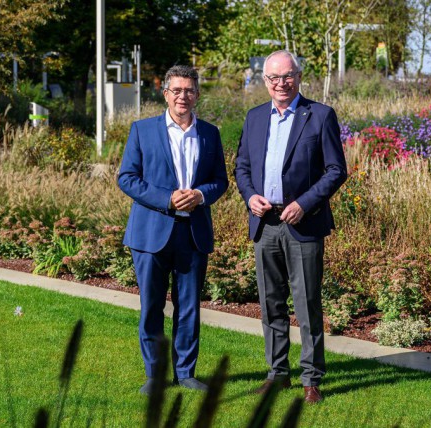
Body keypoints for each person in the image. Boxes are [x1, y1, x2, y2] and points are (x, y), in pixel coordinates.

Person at [234, 50, 347, 404]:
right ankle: (277, 373)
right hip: (264, 223)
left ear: (299, 77)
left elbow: (335, 170)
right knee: (270, 303)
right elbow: (242, 167)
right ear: (264, 81)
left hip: (303, 222)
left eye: (287, 76)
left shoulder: (320, 115)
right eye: (273, 78)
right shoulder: (254, 118)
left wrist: (304, 203)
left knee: (307, 303)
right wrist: (250, 196)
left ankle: (311, 377)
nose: (281, 84)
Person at [118, 65, 228, 395]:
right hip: (151, 233)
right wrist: (167, 199)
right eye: (177, 90)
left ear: (197, 94)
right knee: (152, 305)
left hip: (193, 232)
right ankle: (155, 375)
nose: (183, 96)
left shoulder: (210, 133)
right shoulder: (142, 130)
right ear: (165, 93)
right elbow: (127, 178)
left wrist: (200, 195)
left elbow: (220, 181)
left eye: (190, 90)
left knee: (190, 306)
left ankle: (186, 372)